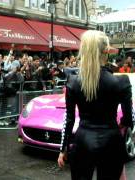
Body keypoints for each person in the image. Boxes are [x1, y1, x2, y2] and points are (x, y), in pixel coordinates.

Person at [57, 30, 133, 179]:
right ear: (106, 51)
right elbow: (130, 118)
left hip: (83, 140)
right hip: (111, 140)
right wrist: (121, 125)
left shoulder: (73, 81)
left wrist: (63, 149)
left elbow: (69, 119)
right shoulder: (121, 81)